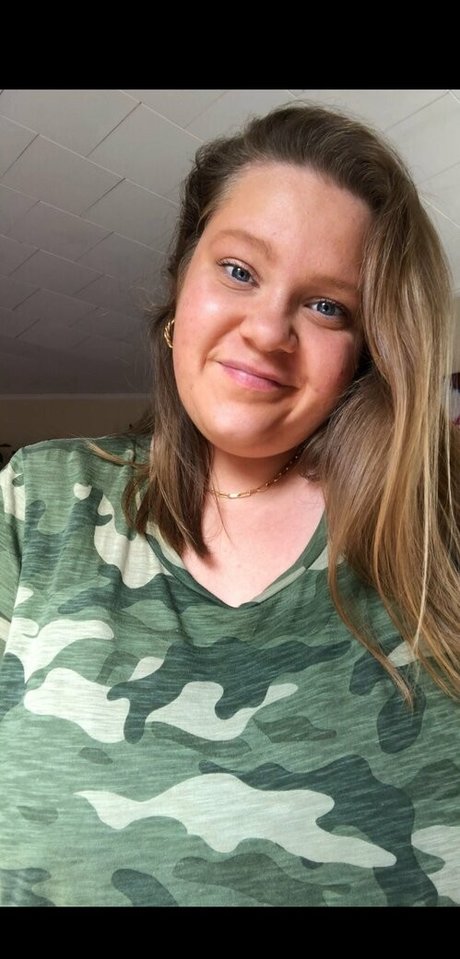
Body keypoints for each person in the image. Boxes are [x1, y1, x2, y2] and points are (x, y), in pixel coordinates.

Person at [1, 101, 459, 909]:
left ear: (366, 351)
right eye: (240, 271)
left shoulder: (439, 534)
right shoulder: (33, 502)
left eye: (327, 305)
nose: (268, 329)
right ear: (183, 280)